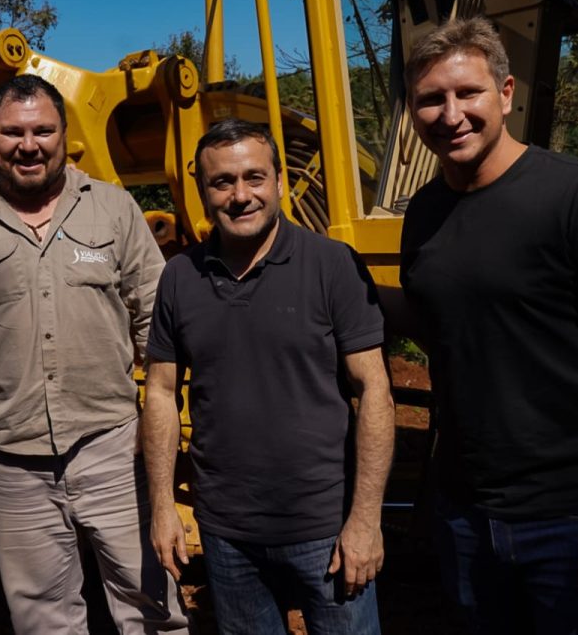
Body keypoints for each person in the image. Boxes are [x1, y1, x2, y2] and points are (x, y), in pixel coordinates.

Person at [396, 17, 578, 634]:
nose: (450, 115)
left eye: (467, 93)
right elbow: (446, 326)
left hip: (574, 519)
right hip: (467, 515)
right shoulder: (424, 213)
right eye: (430, 100)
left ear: (505, 93)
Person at [0, 74, 190, 634]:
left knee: (151, 602)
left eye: (42, 130)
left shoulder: (112, 210)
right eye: (12, 132)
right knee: (43, 617)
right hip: (11, 456)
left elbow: (155, 312)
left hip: (109, 444)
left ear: (63, 136)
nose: (27, 144)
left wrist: (163, 399)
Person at [143, 118, 395, 635]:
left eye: (254, 177)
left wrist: (366, 520)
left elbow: (375, 392)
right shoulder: (180, 277)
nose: (241, 195)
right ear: (202, 191)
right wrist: (164, 506)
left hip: (324, 530)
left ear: (279, 181)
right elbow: (163, 394)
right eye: (223, 182)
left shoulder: (332, 266)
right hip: (226, 533)